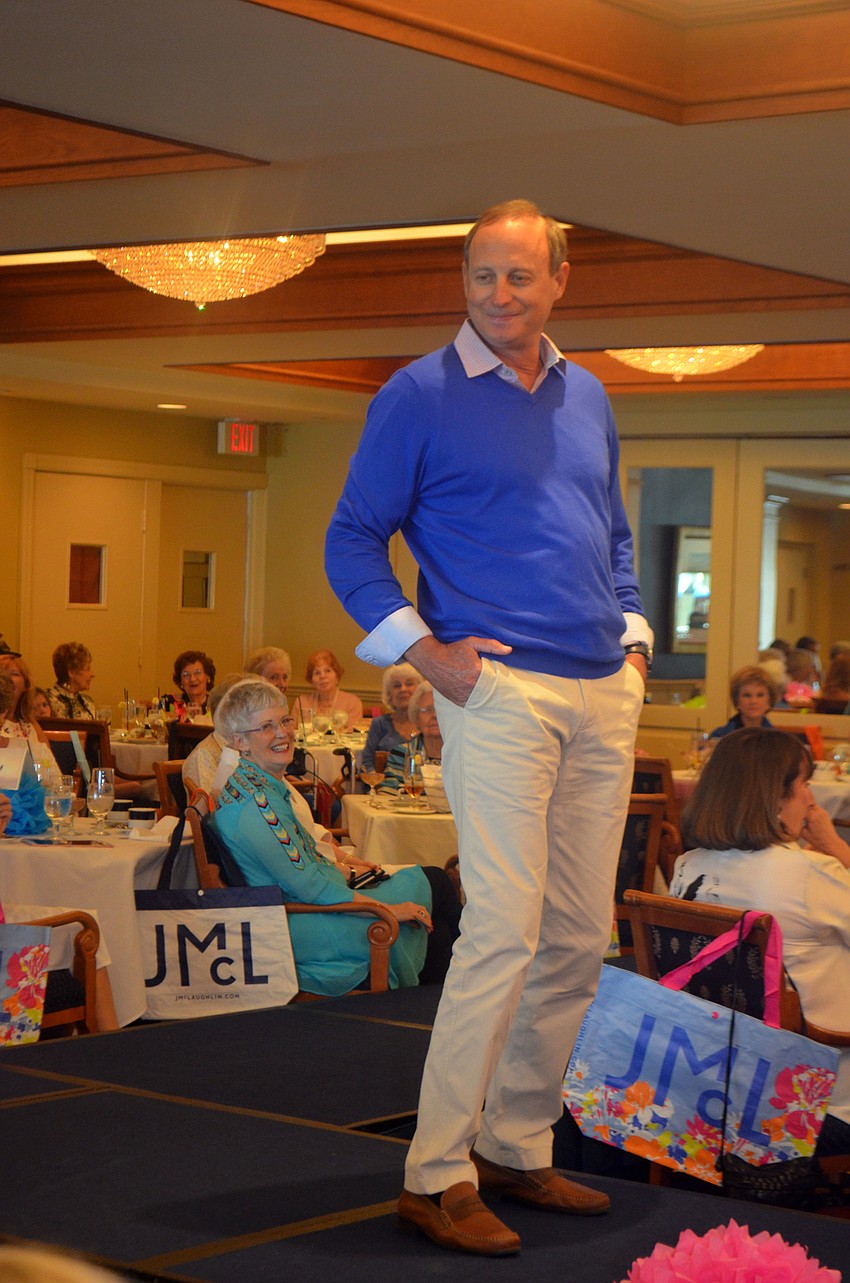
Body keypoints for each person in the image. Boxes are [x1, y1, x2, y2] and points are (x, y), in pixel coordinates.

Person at [325, 199, 650, 1254]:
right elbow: (351, 542)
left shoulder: (587, 392)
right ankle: (434, 1169)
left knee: (572, 936)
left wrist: (636, 641)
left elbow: (611, 533)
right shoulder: (416, 394)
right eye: (481, 276)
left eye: (519, 276)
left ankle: (518, 1141)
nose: (499, 295)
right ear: (462, 281)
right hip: (497, 690)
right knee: (502, 930)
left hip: (604, 688)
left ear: (559, 279)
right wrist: (425, 653)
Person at [210, 679, 459, 994]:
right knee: (432, 899)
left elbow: (307, 862)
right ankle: (439, 1003)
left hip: (313, 905)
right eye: (266, 727)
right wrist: (389, 910)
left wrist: (350, 870)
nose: (283, 733)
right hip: (302, 925)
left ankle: (442, 1001)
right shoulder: (257, 805)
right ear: (239, 742)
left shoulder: (258, 785)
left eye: (285, 720)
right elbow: (309, 886)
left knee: (435, 906)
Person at [670, 727, 850, 1156]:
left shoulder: (686, 867)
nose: (811, 798)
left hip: (714, 1080)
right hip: (822, 1090)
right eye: (803, 784)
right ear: (774, 799)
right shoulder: (811, 875)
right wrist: (836, 847)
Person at [379, 681, 442, 793]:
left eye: (441, 709)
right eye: (427, 710)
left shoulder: (467, 755)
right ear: (416, 717)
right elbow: (387, 794)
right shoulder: (403, 753)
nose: (435, 715)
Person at [361, 662, 419, 772]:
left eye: (409, 684)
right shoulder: (379, 724)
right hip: (386, 785)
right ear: (389, 694)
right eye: (397, 686)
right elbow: (367, 763)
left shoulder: (428, 724)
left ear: (419, 690)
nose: (403, 689)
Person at [290, 649, 363, 732]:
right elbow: (293, 733)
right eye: (317, 673)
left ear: (337, 676)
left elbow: (351, 736)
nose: (322, 676)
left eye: (328, 671)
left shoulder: (352, 703)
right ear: (311, 680)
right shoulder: (301, 702)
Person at [709, 665, 777, 740]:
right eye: (747, 695)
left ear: (769, 700)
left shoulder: (777, 739)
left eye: (760, 695)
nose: (753, 701)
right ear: (737, 701)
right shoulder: (720, 736)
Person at [47, 642, 96, 719]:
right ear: (71, 672)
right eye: (87, 669)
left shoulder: (87, 702)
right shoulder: (48, 702)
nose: (92, 674)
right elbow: (71, 731)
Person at [171, 650, 215, 718]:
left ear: (208, 676)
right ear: (180, 680)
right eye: (186, 674)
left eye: (197, 672)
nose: (192, 679)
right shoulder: (170, 702)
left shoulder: (216, 706)